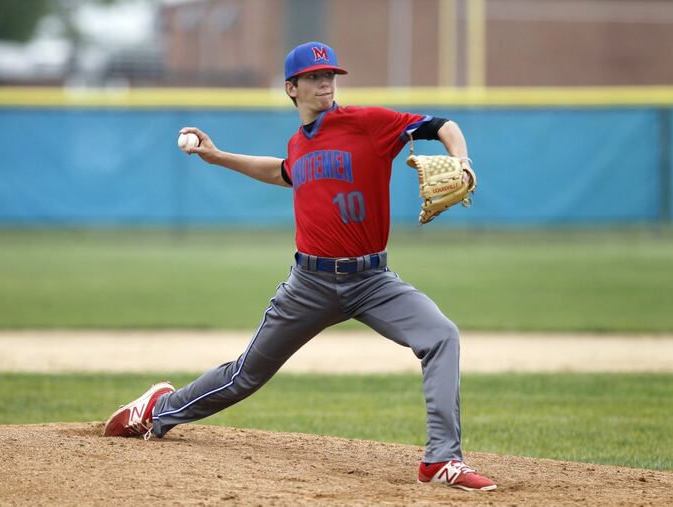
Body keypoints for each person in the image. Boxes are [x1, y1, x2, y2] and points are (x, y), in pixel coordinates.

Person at [103, 41, 496, 492]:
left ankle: (441, 461)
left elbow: (443, 124)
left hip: (372, 281)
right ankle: (159, 409)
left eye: (329, 74)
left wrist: (461, 160)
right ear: (292, 88)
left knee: (441, 335)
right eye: (313, 76)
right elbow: (283, 172)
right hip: (308, 285)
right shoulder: (299, 142)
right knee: (245, 376)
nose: (325, 81)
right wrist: (218, 156)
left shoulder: (366, 123)